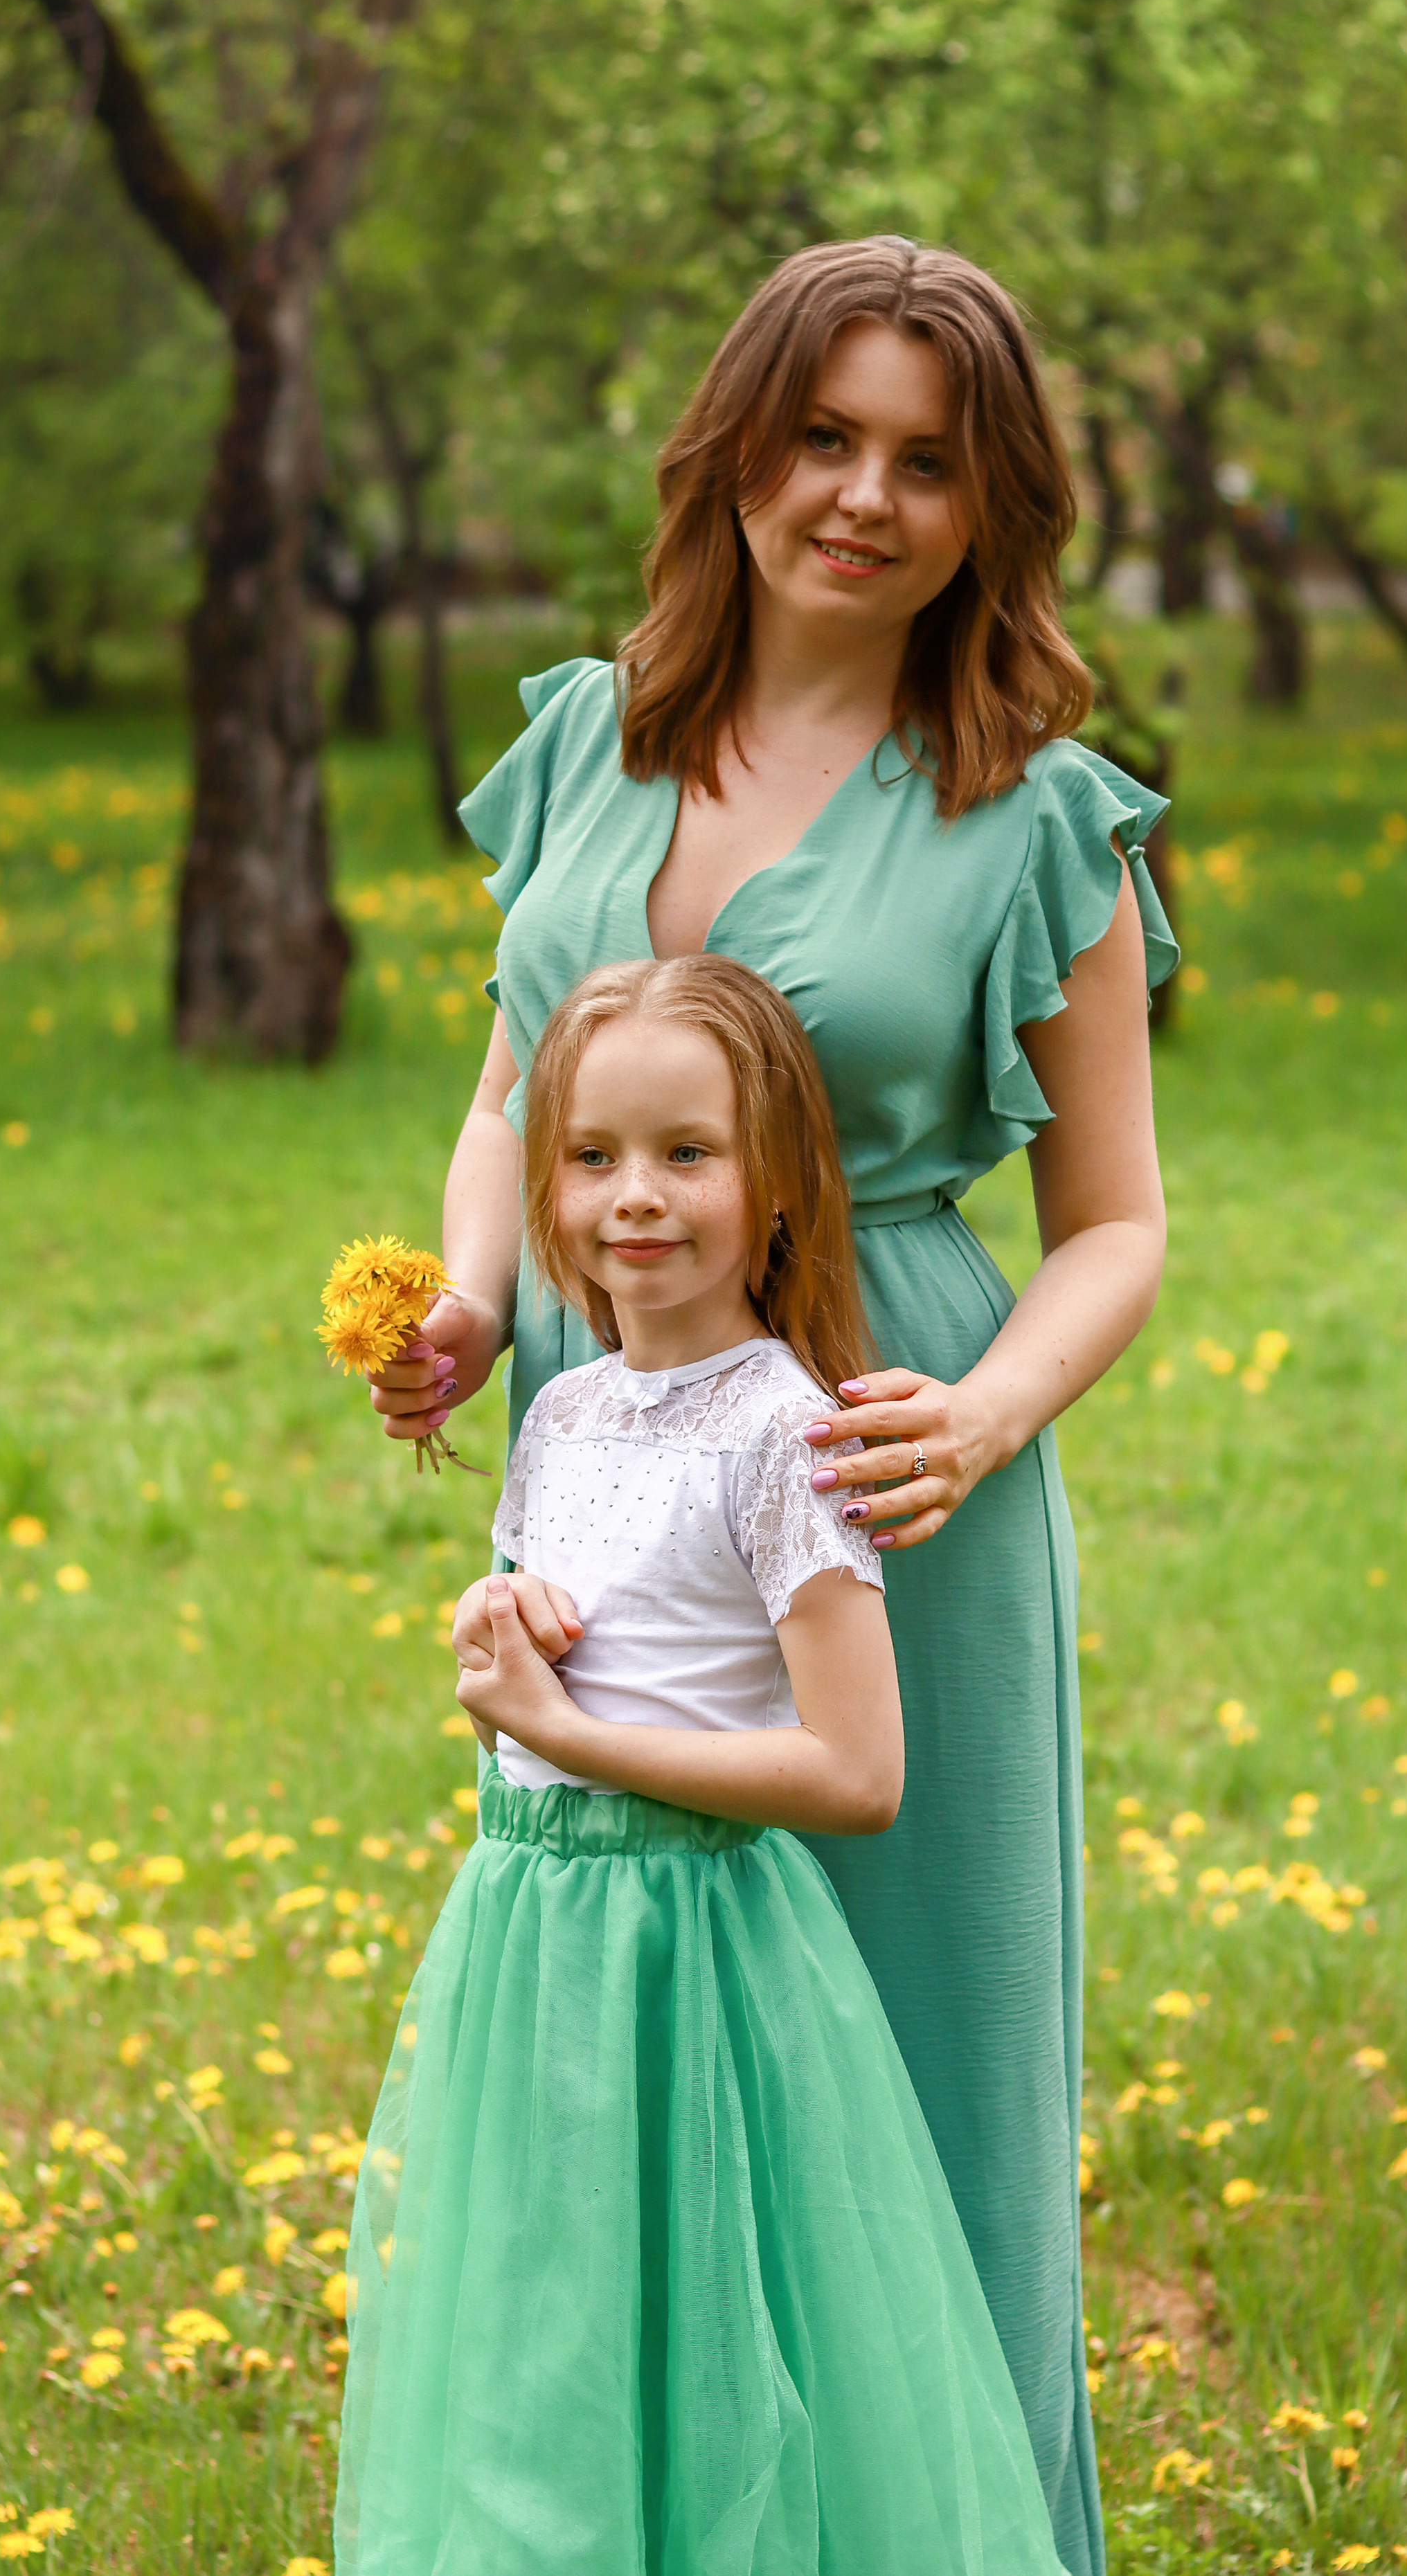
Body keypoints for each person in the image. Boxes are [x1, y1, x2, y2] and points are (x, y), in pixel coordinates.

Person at [367, 236, 1176, 2576]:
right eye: (824, 436)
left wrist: (989, 1413)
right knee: (626, 2002)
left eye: (931, 461)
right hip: (603, 1438)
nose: (864, 498)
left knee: (911, 2059)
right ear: (736, 445)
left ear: (993, 504)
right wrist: (476, 1281)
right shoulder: (589, 733)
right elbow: (514, 1080)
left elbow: (1117, 1218)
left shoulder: (1039, 811)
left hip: (879, 1458)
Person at [337, 954, 1068, 2575]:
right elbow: (558, 1652)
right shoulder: (563, 1415)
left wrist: (565, 1732)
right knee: (549, 2324)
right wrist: (503, 1619)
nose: (634, 1201)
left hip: (697, 1950)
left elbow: (854, 1770)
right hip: (533, 1946)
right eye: (592, 1158)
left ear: (779, 1181)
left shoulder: (789, 1434)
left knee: (711, 2325)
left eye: (688, 1155)